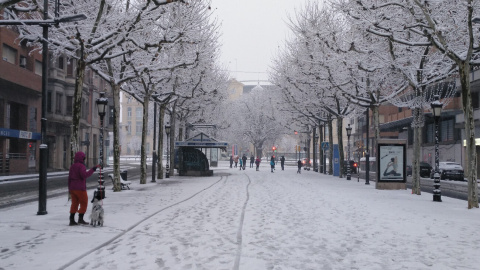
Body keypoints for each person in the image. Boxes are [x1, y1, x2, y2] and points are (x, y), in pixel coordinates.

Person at [68, 151, 99, 226]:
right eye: (84, 157)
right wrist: (93, 169)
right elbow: (84, 175)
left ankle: (71, 219)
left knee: (74, 203)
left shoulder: (72, 166)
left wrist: (69, 188)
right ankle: (80, 218)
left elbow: (69, 178)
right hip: (80, 188)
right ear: (82, 158)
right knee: (84, 203)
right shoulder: (81, 166)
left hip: (72, 188)